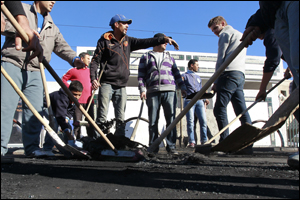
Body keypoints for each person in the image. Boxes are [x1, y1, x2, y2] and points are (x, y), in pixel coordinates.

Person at [1, 1, 85, 158]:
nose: (54, 1)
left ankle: (32, 148)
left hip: (36, 69)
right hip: (13, 63)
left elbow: (62, 47)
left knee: (35, 112)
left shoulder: (52, 25)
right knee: (4, 108)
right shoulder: (20, 10)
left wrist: (74, 60)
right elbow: (3, 25)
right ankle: (0, 148)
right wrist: (24, 31)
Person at [90, 14, 179, 137]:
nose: (127, 26)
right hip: (106, 83)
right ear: (116, 24)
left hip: (121, 85)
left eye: (128, 24)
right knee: (102, 114)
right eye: (124, 23)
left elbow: (145, 42)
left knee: (120, 117)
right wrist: (93, 78)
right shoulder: (104, 41)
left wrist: (163, 39)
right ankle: (98, 140)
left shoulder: (128, 41)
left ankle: (119, 141)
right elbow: (95, 61)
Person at [240, 1, 299, 170]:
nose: (257, 38)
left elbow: (273, 59)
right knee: (295, 89)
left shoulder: (270, 35)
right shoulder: (274, 22)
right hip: (275, 11)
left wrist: (262, 89)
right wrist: (257, 21)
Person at [208, 16, 252, 153]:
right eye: (212, 30)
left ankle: (225, 143)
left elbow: (221, 58)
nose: (215, 32)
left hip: (228, 73)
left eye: (215, 28)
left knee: (219, 108)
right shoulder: (240, 34)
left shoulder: (225, 34)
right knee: (241, 109)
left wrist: (215, 80)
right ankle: (248, 144)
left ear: (222, 24)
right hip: (240, 74)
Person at [138, 33, 187, 155]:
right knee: (153, 120)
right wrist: (142, 89)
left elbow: (176, 74)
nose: (166, 43)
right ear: (156, 41)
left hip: (170, 90)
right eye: (164, 41)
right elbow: (141, 75)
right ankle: (153, 147)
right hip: (153, 91)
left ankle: (171, 147)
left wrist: (183, 87)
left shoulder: (170, 57)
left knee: (171, 120)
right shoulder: (146, 56)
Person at [62, 52, 96, 140]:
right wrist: (71, 88)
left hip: (89, 101)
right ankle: (77, 141)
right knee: (77, 124)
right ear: (81, 59)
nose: (89, 60)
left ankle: (91, 141)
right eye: (87, 58)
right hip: (77, 102)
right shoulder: (73, 70)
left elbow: (93, 81)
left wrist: (94, 85)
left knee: (91, 123)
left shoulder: (90, 71)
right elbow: (63, 80)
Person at [43, 81, 83, 153]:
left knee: (68, 127)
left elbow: (70, 112)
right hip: (46, 107)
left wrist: (67, 119)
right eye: (74, 94)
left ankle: (67, 148)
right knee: (54, 124)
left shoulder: (75, 101)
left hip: (58, 112)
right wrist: (68, 134)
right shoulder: (62, 98)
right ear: (69, 91)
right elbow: (60, 117)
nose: (77, 97)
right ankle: (47, 148)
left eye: (79, 95)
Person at [182, 59, 209, 147]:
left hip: (199, 101)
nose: (198, 66)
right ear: (191, 65)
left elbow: (201, 88)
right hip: (189, 100)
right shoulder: (184, 76)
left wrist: (205, 99)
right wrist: (182, 88)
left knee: (203, 121)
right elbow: (179, 84)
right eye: (196, 65)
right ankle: (192, 142)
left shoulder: (198, 77)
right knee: (190, 121)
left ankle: (204, 140)